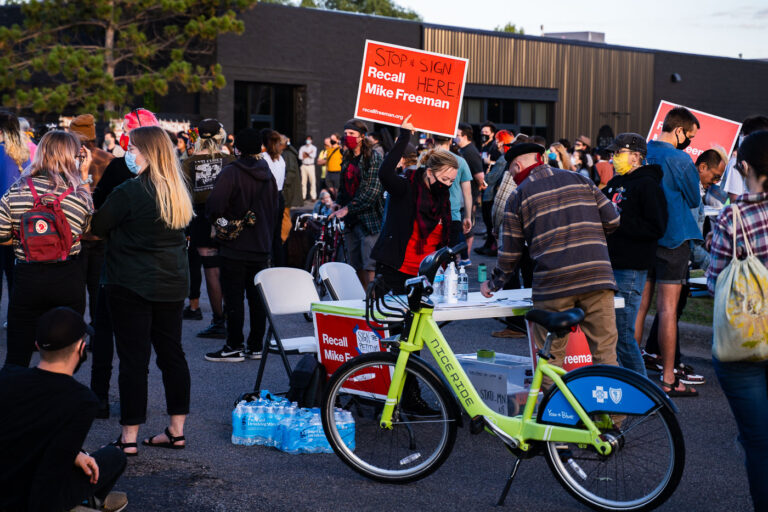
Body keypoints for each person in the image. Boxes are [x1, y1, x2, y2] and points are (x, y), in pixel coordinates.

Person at [91, 125, 193, 455]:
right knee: (172, 355)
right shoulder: (177, 190)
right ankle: (177, 430)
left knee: (134, 360)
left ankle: (129, 436)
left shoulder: (129, 191)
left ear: (148, 152)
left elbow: (98, 225)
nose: (127, 154)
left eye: (132, 149)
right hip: (172, 283)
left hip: (130, 282)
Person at [481, 142, 620, 372]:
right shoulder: (581, 180)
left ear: (516, 165)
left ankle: (555, 407)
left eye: (511, 172)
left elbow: (510, 253)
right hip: (597, 276)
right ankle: (610, 408)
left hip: (554, 284)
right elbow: (613, 220)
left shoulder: (518, 196)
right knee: (606, 356)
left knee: (549, 360)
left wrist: (494, 283)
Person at [0, 307, 128, 512]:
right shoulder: (81, 401)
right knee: (115, 457)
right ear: (80, 348)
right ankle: (87, 504)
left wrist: (75, 454)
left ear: (37, 345)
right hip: (29, 499)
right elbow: (50, 475)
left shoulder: (8, 375)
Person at [706, 130, 768, 511]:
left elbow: (716, 284)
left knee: (759, 442)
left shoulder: (733, 216)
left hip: (745, 342)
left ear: (743, 166)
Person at [0, 130, 93, 368]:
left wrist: (23, 241)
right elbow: (85, 229)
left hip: (27, 277)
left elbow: (1, 234)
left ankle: (14, 401)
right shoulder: (78, 196)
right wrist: (84, 179)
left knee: (17, 353)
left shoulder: (16, 192)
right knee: (66, 353)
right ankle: (57, 399)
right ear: (71, 157)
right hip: (67, 277)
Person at [635, 106, 702, 397]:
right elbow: (693, 198)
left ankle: (630, 373)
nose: (689, 140)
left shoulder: (641, 152)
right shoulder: (681, 159)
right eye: (690, 135)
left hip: (643, 238)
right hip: (674, 238)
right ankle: (667, 379)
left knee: (639, 307)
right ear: (678, 131)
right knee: (667, 311)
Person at [204, 128, 278, 362]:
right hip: (262, 245)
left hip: (235, 246)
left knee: (234, 297)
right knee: (257, 299)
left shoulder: (231, 172)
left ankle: (234, 345)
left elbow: (214, 206)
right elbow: (275, 208)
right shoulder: (268, 173)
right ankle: (255, 345)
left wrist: (225, 223)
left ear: (238, 149)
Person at [601, 133, 668, 376]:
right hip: (608, 264)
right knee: (610, 334)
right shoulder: (615, 183)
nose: (612, 158)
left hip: (630, 267)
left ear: (636, 157)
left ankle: (645, 394)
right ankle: (625, 386)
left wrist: (619, 223)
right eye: (612, 154)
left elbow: (656, 226)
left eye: (617, 153)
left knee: (624, 334)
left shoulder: (647, 185)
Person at [371, 115, 456, 294]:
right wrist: (404, 137)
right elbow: (385, 174)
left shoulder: (441, 196)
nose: (447, 184)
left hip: (428, 273)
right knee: (393, 320)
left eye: (451, 181)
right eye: (444, 179)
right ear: (430, 173)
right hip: (396, 270)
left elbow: (445, 236)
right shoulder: (406, 187)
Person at [182, 118, 234, 339]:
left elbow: (183, 196)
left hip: (201, 218)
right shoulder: (230, 160)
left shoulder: (187, 163)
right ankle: (232, 317)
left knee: (211, 270)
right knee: (230, 269)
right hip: (227, 217)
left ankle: (219, 320)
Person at [69, 114, 115, 333]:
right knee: (98, 289)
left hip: (75, 233)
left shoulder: (68, 159)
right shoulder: (109, 159)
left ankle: (74, 335)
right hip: (102, 231)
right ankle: (99, 336)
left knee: (75, 290)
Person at [330, 119, 384, 287]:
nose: (348, 137)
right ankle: (363, 296)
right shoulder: (346, 156)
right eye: (345, 134)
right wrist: (338, 202)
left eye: (352, 134)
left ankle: (372, 300)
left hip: (369, 219)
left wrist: (347, 208)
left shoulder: (373, 157)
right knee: (355, 264)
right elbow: (343, 186)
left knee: (370, 265)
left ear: (361, 136)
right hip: (351, 220)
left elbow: (372, 193)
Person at [0, 111, 31, 320]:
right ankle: (16, 323)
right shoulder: (26, 157)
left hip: (2, 226)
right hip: (22, 229)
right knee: (16, 282)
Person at [475, 129, 515, 257]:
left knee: (491, 223)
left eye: (498, 141)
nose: (496, 144)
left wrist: (487, 169)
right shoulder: (505, 157)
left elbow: (491, 178)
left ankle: (492, 247)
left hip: (492, 193)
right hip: (495, 192)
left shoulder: (503, 158)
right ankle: (489, 246)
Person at [455, 122, 485, 265]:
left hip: (468, 195)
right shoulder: (463, 151)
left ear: (465, 136)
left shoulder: (470, 152)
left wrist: (477, 193)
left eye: (458, 135)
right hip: (462, 195)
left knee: (467, 228)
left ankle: (465, 258)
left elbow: (480, 177)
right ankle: (462, 257)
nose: (455, 138)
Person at [722, 116, 768, 201]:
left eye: (743, 135)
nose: (741, 138)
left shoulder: (739, 162)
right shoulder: (736, 162)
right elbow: (734, 199)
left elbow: (735, 201)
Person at [260, 130, 287, 266]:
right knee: (276, 235)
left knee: (265, 234)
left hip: (267, 197)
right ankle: (279, 264)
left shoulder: (263, 158)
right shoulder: (281, 159)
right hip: (279, 197)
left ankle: (266, 265)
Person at [321, 133, 342, 198]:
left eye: (333, 139)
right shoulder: (329, 150)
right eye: (331, 139)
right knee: (331, 189)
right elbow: (327, 162)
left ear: (337, 140)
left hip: (337, 172)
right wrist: (326, 173)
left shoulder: (340, 149)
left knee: (337, 190)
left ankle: (338, 204)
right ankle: (336, 202)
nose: (331, 140)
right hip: (329, 173)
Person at [299, 135, 318, 201]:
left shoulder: (314, 148)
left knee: (312, 181)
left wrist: (306, 154)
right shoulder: (302, 148)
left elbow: (313, 156)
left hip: (311, 166)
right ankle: (303, 196)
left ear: (311, 140)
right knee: (303, 182)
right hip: (304, 165)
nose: (308, 141)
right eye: (307, 139)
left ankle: (313, 197)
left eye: (309, 139)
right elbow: (300, 157)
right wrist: (308, 154)